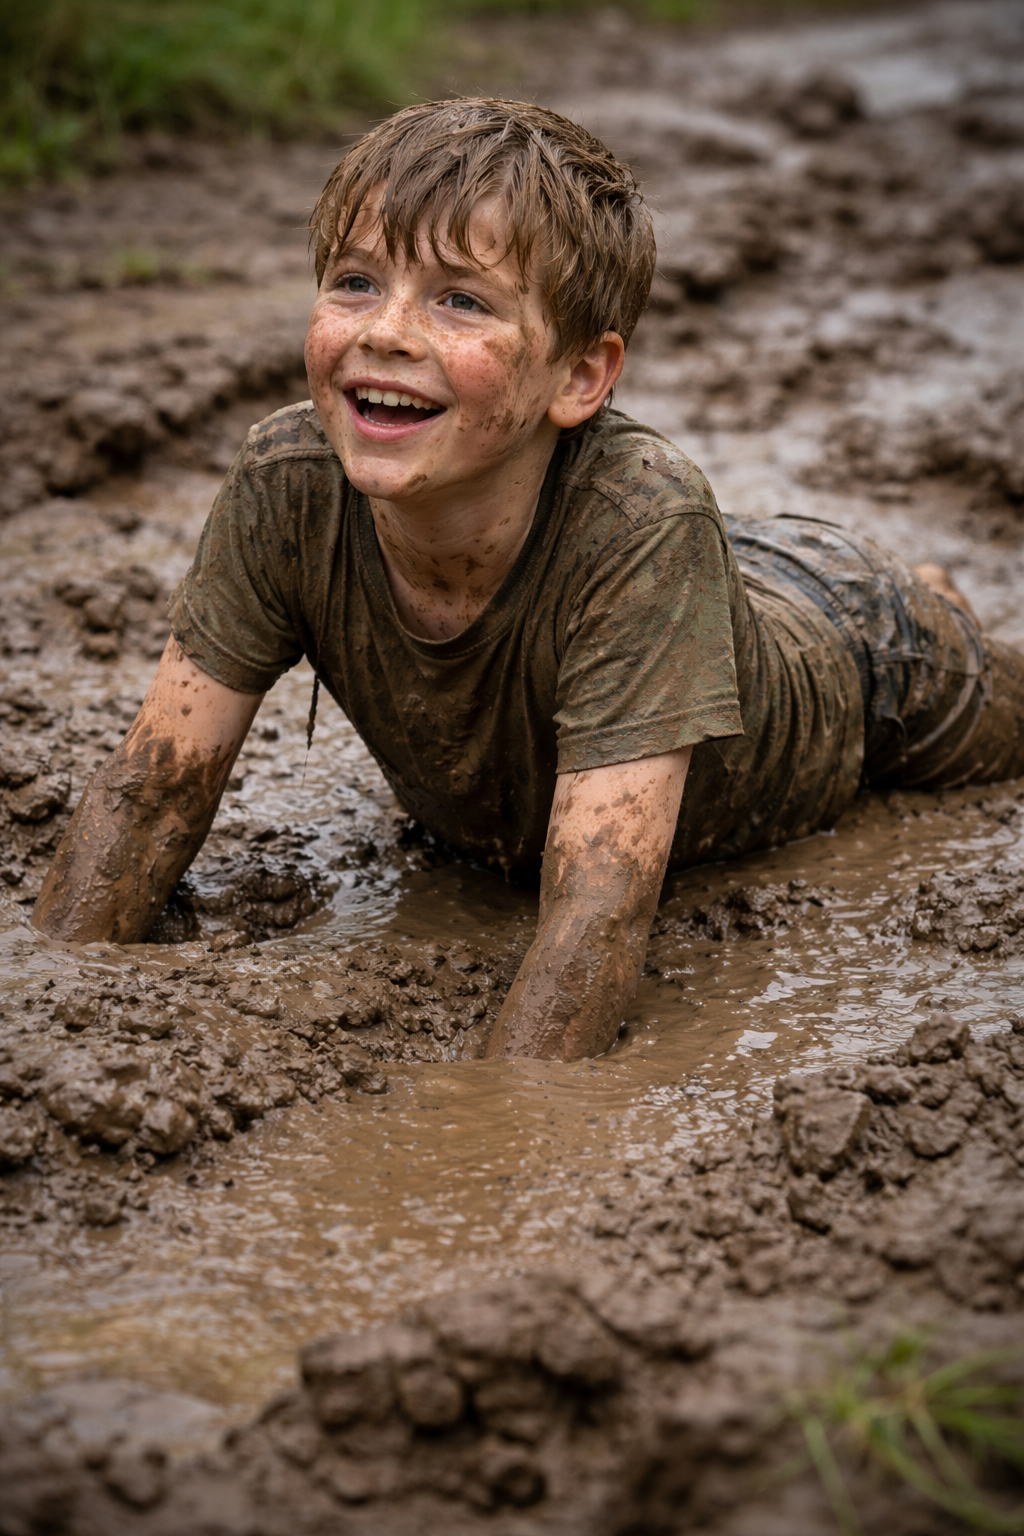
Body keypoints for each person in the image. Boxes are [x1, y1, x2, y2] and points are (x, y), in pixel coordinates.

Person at [32, 99, 1024, 1061]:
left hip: (855, 644)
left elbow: (594, 914)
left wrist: (500, 1165)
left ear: (580, 379)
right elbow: (150, 795)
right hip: (661, 579)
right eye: (355, 282)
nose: (387, 331)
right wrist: (50, 1005)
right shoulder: (284, 484)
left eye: (460, 300)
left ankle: (932, 597)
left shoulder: (642, 518)